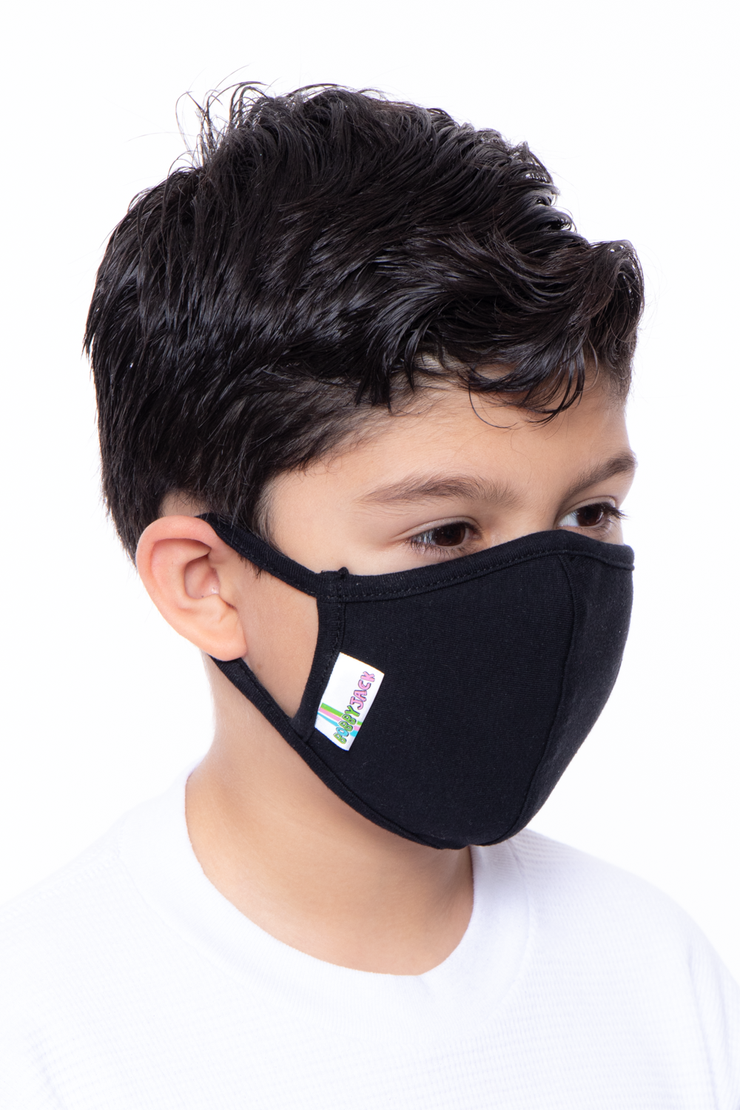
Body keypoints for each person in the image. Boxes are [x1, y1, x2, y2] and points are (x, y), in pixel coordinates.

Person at [0, 84, 737, 1108]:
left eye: (588, 514)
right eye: (445, 532)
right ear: (207, 583)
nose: (546, 596)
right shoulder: (43, 1028)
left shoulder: (658, 974)